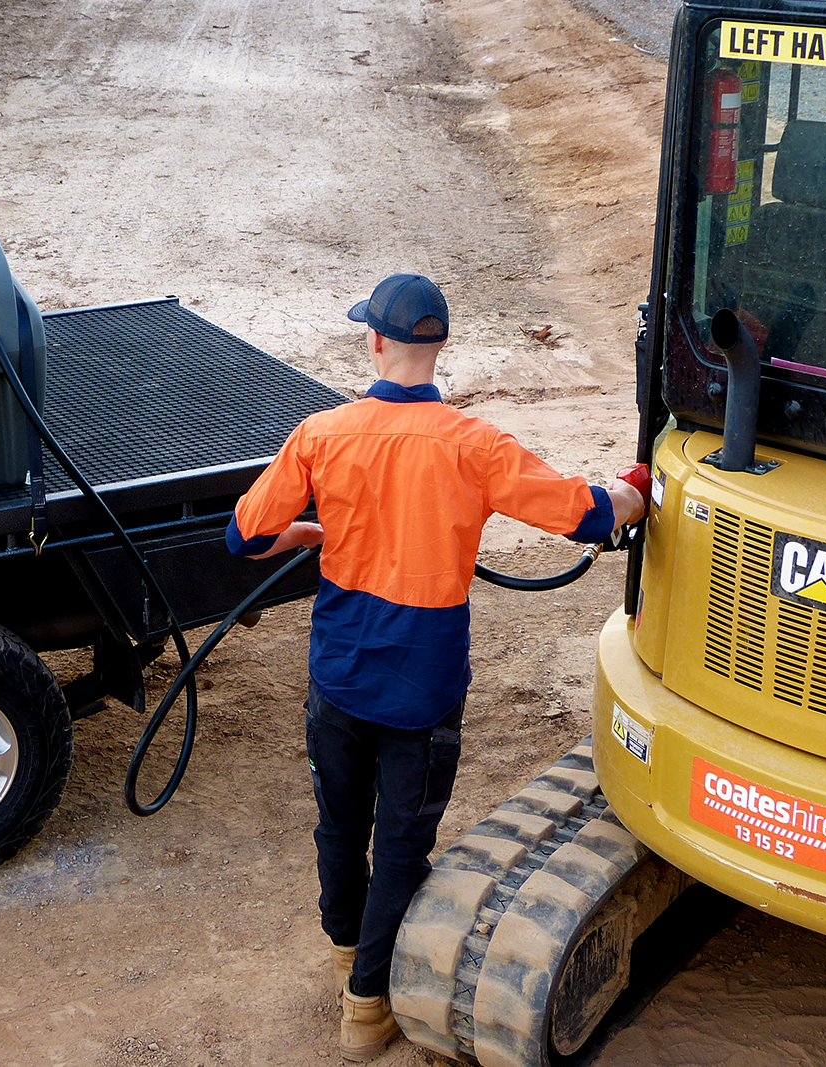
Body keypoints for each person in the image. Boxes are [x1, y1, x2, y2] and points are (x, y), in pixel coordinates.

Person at [225, 273, 647, 1061]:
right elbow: (585, 514)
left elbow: (244, 536)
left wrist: (310, 536)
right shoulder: (474, 444)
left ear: (376, 340)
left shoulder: (321, 432)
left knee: (340, 823)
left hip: (340, 673)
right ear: (439, 344)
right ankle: (365, 1007)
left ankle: (345, 953)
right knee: (402, 848)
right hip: (422, 685)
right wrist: (634, 491)